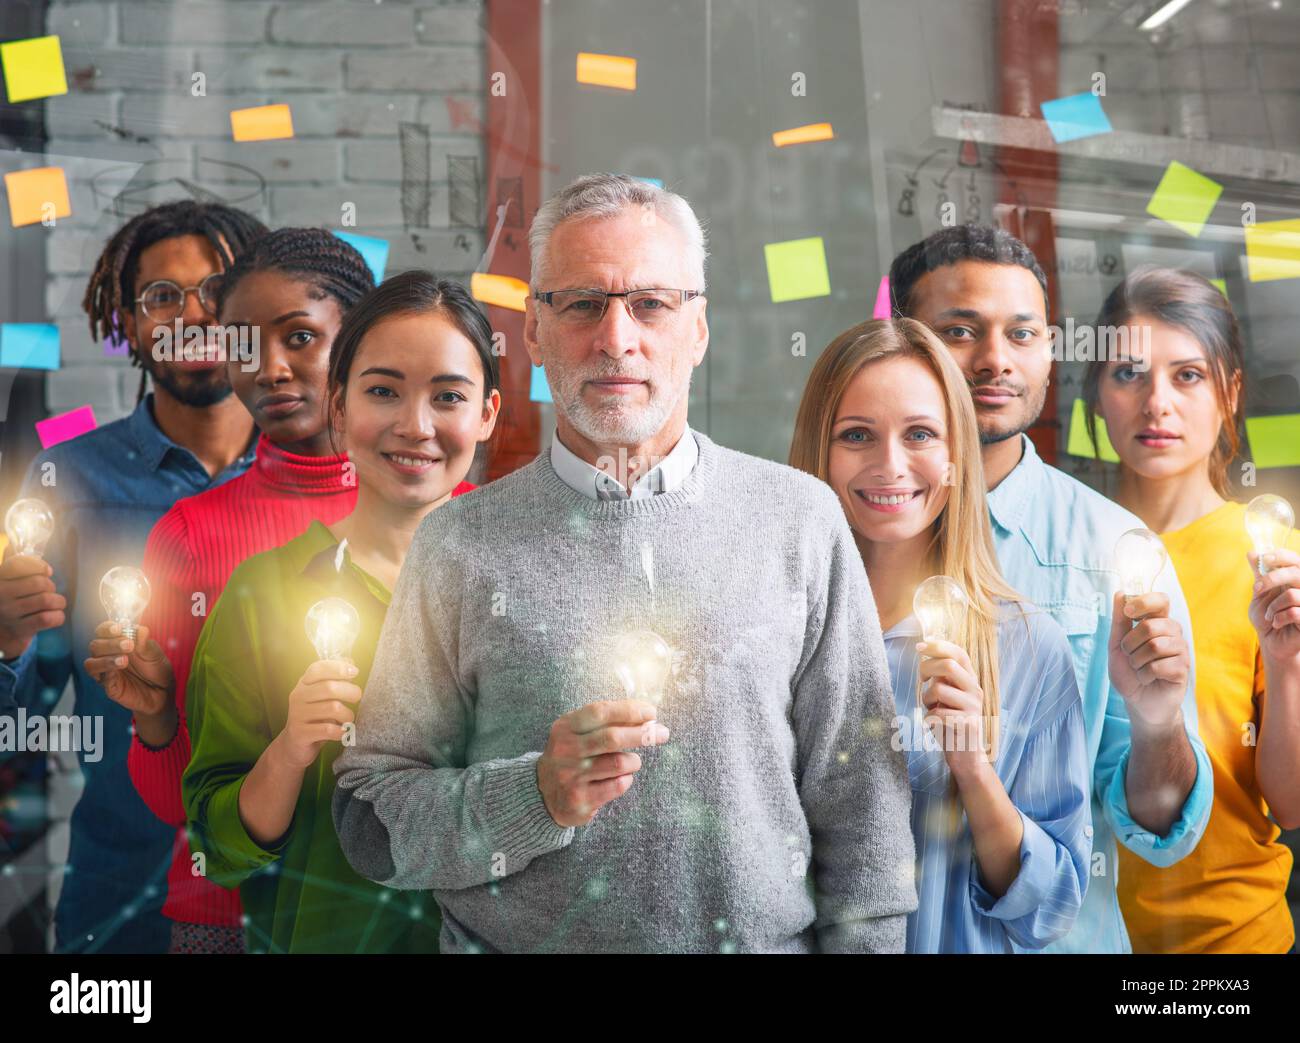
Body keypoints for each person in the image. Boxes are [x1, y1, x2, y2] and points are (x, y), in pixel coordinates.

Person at [333, 172, 917, 953]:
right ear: (535, 333)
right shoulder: (458, 543)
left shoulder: (801, 520)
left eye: (650, 304)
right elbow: (372, 820)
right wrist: (536, 794)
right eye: (581, 303)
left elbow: (864, 807)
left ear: (699, 328)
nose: (616, 339)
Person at [889, 225, 1211, 954]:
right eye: (960, 330)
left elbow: (1161, 831)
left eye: (1022, 333)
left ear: (1050, 352)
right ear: (904, 344)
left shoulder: (1117, 551)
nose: (995, 359)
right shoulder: (835, 533)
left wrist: (1158, 721)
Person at [174, 273, 494, 952]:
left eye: (448, 397)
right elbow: (218, 849)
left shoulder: (533, 588)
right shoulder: (264, 595)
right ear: (340, 409)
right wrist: (291, 749)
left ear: (487, 414)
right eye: (383, 391)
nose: (416, 425)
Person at [84, 228, 379, 953]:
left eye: (302, 337)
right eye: (244, 343)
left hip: (396, 917)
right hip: (231, 920)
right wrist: (155, 720)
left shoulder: (451, 514)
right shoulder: (191, 531)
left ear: (361, 340)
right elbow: (177, 804)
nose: (271, 368)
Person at [0, 200, 265, 953]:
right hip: (125, 906)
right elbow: (13, 723)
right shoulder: (67, 482)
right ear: (126, 320)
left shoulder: (320, 479)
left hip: (294, 897)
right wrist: (4, 641)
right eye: (162, 297)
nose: (193, 315)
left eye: (218, 291)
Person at [790, 317, 1090, 952]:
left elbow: (1052, 908)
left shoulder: (1029, 646)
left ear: (957, 458)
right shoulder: (771, 633)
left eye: (920, 434)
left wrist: (973, 770)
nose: (890, 466)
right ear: (819, 452)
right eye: (856, 436)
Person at [1081, 267, 1300, 953]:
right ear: (1095, 394)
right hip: (1083, 933)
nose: (1157, 404)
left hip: (1233, 943)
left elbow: (1291, 806)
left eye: (1187, 376)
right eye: (1129, 374)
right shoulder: (1061, 546)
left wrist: (1287, 663)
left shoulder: (1274, 563)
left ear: (1229, 393)